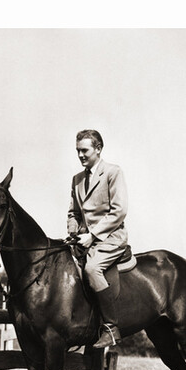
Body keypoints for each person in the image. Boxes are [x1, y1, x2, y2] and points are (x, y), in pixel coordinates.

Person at [67, 129, 129, 348]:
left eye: (84, 150)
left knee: (92, 269)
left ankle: (111, 328)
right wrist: (73, 231)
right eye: (78, 151)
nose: (80, 155)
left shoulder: (113, 172)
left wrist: (92, 235)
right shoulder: (76, 179)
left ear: (98, 149)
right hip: (84, 239)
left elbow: (119, 210)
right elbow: (73, 212)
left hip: (110, 238)